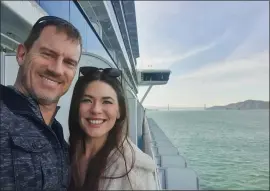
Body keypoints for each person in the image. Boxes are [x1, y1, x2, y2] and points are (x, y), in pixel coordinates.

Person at [0, 16, 82, 190]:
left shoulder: (58, 136)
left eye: (69, 62)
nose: (57, 69)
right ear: (22, 54)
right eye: (47, 54)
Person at [68, 67, 158, 191]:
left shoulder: (136, 172)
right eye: (87, 100)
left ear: (119, 112)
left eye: (107, 101)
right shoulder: (64, 154)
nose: (96, 109)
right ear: (76, 107)